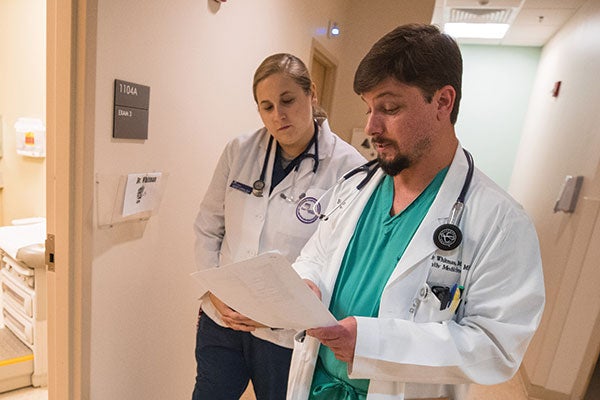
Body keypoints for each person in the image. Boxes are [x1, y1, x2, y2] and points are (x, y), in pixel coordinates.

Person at [286, 24, 545, 400]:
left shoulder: (500, 222)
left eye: (389, 108)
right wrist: (306, 283)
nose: (372, 127)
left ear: (443, 102)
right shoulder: (355, 187)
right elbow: (315, 256)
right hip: (316, 385)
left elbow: (497, 347)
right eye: (369, 108)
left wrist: (376, 344)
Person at [192, 53, 365, 400]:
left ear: (311, 93)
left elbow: (340, 260)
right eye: (266, 106)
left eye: (287, 101)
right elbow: (208, 225)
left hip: (285, 335)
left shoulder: (349, 167)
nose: (278, 115)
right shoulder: (239, 151)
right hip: (223, 318)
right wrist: (214, 290)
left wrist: (275, 314)